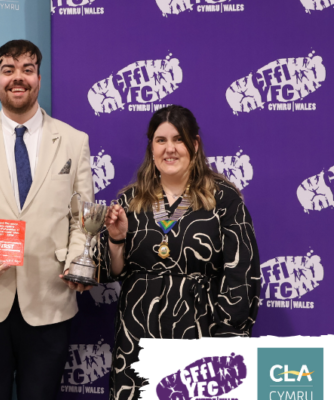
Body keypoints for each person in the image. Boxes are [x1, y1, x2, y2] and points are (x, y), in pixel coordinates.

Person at [0, 39, 94, 400]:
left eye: (27, 69)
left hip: (50, 300)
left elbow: (83, 218)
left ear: (39, 78)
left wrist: (78, 261)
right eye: (8, 70)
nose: (18, 77)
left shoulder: (73, 141)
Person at [101, 105, 260, 400]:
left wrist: (228, 338)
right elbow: (114, 271)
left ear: (194, 145)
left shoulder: (223, 199)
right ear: (151, 147)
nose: (170, 149)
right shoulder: (131, 200)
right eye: (161, 140)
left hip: (201, 335)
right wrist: (116, 239)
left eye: (178, 139)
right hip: (137, 337)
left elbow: (241, 274)